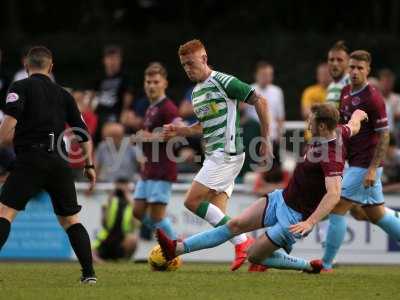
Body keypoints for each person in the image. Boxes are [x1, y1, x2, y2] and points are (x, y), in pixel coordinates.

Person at [157, 104, 367, 273]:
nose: (307, 124)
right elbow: (354, 124)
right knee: (235, 225)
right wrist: (360, 112)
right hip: (281, 199)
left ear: (322, 127)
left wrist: (310, 222)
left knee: (254, 256)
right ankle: (175, 248)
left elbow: (334, 194)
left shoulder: (331, 156)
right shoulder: (339, 130)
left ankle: (308, 266)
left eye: (310, 121)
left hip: (294, 218)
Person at [163, 39, 272, 271]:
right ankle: (257, 257)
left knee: (192, 201)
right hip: (216, 155)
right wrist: (182, 130)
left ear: (204, 58)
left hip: (226, 153)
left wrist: (265, 138)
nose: (188, 69)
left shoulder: (224, 81)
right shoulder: (196, 93)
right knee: (220, 217)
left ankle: (244, 244)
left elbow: (260, 101)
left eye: (191, 63)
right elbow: (203, 126)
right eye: (184, 65)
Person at [0, 46, 97, 283]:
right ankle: (89, 274)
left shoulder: (19, 87)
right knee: (70, 220)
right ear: (51, 67)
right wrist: (89, 165)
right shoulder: (64, 95)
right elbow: (83, 135)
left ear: (26, 67)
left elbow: (5, 133)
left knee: (4, 213)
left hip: (30, 160)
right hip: (59, 162)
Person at [317, 50, 400, 272]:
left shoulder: (373, 98)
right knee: (377, 214)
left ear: (367, 70)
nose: (354, 71)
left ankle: (326, 264)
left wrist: (373, 169)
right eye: (352, 67)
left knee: (336, 206)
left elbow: (384, 135)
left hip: (366, 165)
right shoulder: (345, 91)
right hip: (354, 163)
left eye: (359, 68)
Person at [131, 62, 179, 240]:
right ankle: (168, 240)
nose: (151, 86)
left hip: (163, 169)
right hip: (149, 168)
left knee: (156, 217)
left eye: (156, 82)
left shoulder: (168, 108)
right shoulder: (151, 107)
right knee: (137, 211)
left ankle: (174, 246)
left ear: (165, 83)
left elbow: (176, 132)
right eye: (148, 82)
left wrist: (148, 137)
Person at [92, 45, 134, 143]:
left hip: (114, 114)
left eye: (116, 59)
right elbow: (93, 96)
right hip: (98, 114)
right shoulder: (99, 78)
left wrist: (125, 111)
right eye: (110, 58)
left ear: (120, 60)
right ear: (104, 60)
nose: (113, 62)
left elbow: (128, 97)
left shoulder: (124, 78)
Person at [92, 178, 137, 262]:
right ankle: (102, 262)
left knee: (133, 239)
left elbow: (135, 225)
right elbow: (104, 223)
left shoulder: (131, 203)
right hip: (108, 236)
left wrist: (128, 199)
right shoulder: (110, 201)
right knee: (90, 253)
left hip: (122, 238)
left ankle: (124, 260)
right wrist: (109, 200)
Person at [326, 41, 350, 109]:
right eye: (331, 60)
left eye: (339, 60)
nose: (335, 64)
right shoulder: (330, 86)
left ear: (348, 62)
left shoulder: (351, 83)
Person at [378, 69, 400, 136]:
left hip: (393, 134)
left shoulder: (397, 98)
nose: (386, 84)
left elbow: (397, 115)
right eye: (384, 81)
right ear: (380, 82)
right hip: (377, 133)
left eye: (389, 82)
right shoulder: (374, 98)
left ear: (392, 83)